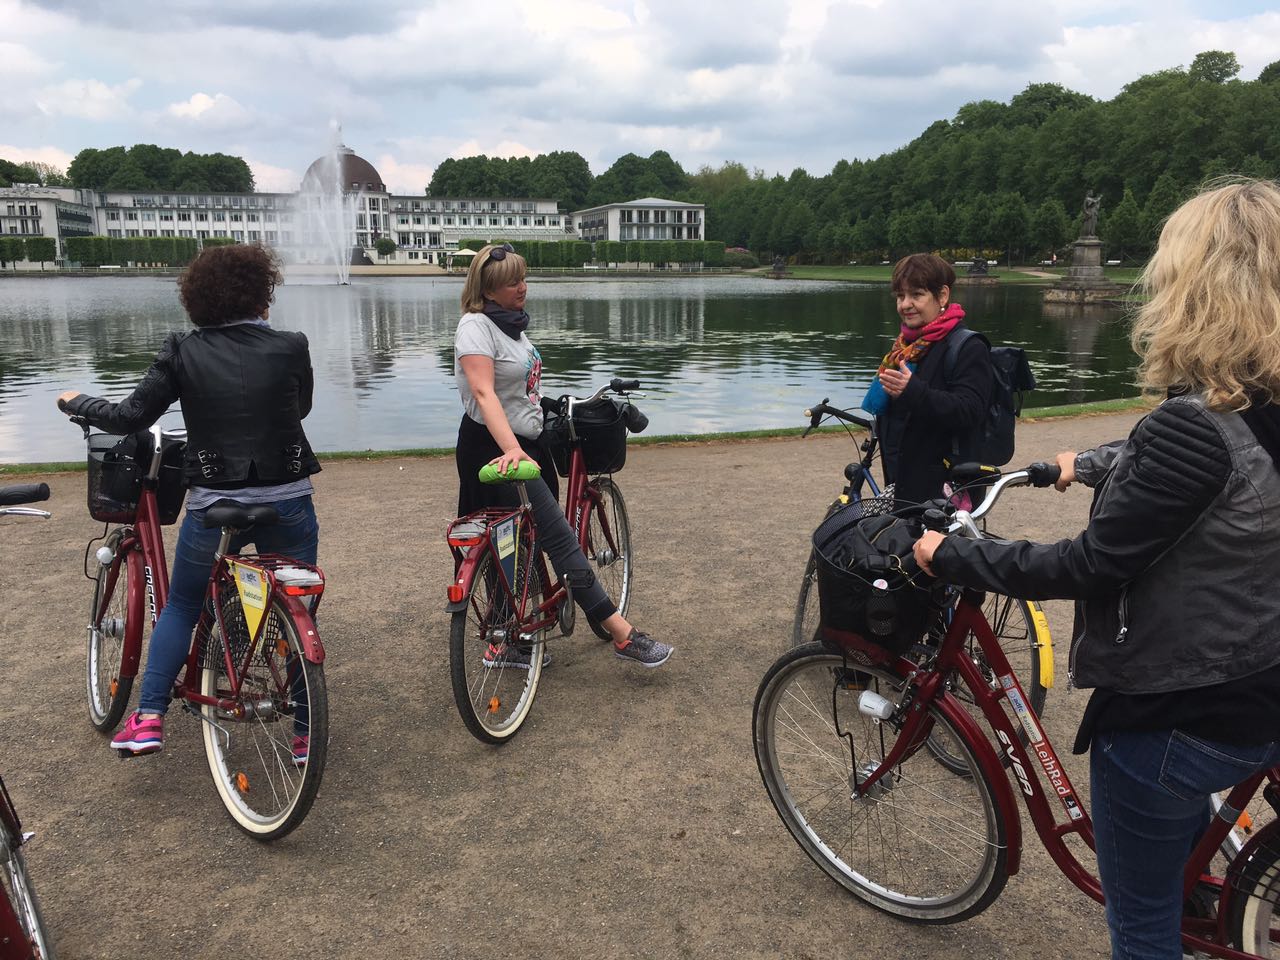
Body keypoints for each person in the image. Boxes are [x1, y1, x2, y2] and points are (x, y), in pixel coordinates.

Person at [914, 178, 1280, 960]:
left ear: (1194, 286)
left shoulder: (1192, 430)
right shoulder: (1256, 403)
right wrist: (1086, 462)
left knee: (1142, 929)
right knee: (1181, 886)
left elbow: (1090, 564)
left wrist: (956, 554)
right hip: (1261, 676)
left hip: (1180, 709)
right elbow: (1214, 459)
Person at [58, 243, 321, 760]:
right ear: (261, 294)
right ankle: (304, 733)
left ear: (197, 298)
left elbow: (131, 416)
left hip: (215, 502)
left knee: (181, 604)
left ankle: (149, 717)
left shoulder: (183, 349)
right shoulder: (292, 345)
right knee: (294, 603)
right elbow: (301, 408)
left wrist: (76, 401)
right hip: (288, 498)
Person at [453, 243, 672, 668]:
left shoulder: (511, 327)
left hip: (525, 442)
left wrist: (546, 406)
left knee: (518, 544)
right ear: (488, 290)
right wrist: (513, 449)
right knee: (557, 536)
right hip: (496, 449)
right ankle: (621, 633)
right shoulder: (475, 326)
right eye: (511, 282)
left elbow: (513, 389)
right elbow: (483, 392)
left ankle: (507, 634)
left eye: (522, 278)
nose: (522, 287)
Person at [860, 253, 993, 507]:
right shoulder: (905, 347)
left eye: (916, 295)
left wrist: (914, 391)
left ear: (942, 296)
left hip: (945, 492)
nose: (905, 305)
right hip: (904, 483)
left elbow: (971, 410)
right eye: (900, 296)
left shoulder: (968, 347)